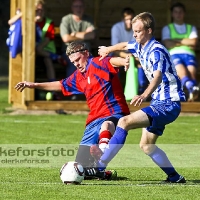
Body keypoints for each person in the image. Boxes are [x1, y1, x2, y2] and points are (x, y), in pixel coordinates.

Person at [91, 12, 186, 183]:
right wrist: (108, 49)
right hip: (161, 102)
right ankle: (175, 177)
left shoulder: (157, 51)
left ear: (149, 31)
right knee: (147, 146)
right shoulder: (140, 45)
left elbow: (157, 76)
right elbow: (126, 45)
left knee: (124, 122)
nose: (135, 35)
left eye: (138, 31)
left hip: (168, 104)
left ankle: (99, 167)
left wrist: (144, 95)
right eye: (134, 31)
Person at [14, 41, 130, 180]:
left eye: (77, 60)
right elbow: (60, 84)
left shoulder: (98, 62)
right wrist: (34, 85)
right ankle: (103, 172)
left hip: (114, 113)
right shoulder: (78, 76)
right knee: (81, 169)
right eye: (72, 62)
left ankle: (101, 155)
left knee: (107, 125)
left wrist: (124, 61)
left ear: (86, 53)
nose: (76, 64)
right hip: (93, 120)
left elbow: (112, 61)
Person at [162, 2, 199, 102]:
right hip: (174, 54)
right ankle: (192, 88)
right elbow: (168, 44)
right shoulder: (167, 28)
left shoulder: (191, 28)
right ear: (172, 14)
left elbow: (194, 42)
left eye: (180, 12)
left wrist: (175, 41)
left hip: (189, 54)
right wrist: (185, 41)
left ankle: (192, 92)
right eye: (176, 12)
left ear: (184, 13)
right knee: (181, 71)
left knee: (191, 73)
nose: (178, 14)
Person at [111, 7, 148, 95]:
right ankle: (115, 93)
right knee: (113, 62)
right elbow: (114, 49)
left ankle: (141, 92)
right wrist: (126, 57)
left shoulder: (139, 29)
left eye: (131, 19)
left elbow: (140, 48)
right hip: (120, 54)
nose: (129, 22)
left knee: (142, 64)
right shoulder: (116, 28)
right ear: (122, 20)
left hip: (134, 56)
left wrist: (135, 58)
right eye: (126, 19)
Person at [59, 0, 96, 79]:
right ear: (72, 8)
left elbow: (92, 35)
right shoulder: (66, 19)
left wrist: (74, 34)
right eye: (76, 6)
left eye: (81, 6)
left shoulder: (88, 19)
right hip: (70, 52)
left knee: (93, 65)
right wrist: (84, 34)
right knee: (74, 65)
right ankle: (71, 89)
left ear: (84, 8)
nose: (79, 9)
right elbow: (65, 38)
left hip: (86, 52)